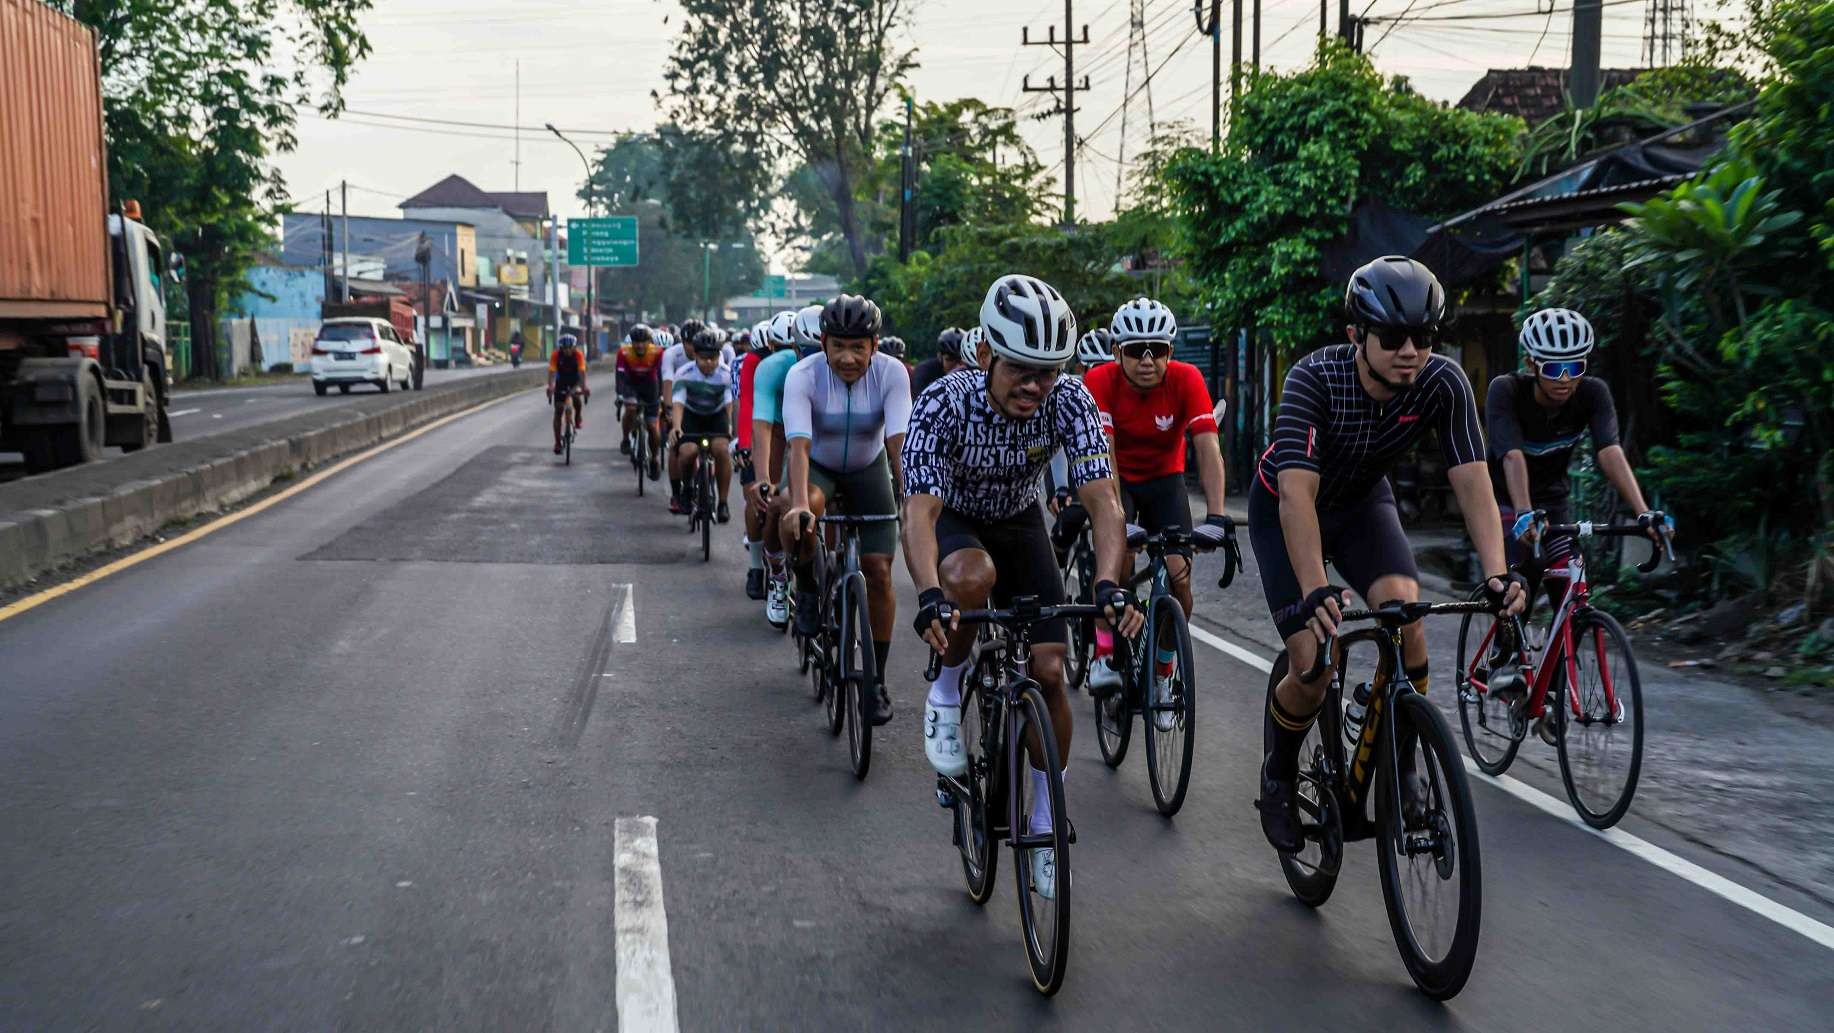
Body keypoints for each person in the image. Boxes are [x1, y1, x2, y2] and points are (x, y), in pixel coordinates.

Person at [1249, 255, 1526, 854]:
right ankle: (1277, 776)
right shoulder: (1312, 379)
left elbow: (1474, 483)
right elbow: (1297, 496)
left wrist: (1499, 576)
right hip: (1288, 508)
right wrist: (1313, 587)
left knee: (1408, 616)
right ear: (1357, 335)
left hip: (1362, 504)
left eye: (1423, 337)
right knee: (1314, 666)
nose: (1411, 350)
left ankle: (1402, 768)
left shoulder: (1441, 383)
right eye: (1395, 337)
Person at [902, 274, 1143, 900]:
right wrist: (930, 594)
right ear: (985, 355)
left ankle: (1042, 816)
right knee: (970, 578)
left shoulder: (1070, 401)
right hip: (955, 519)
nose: (1036, 386)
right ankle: (948, 694)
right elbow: (919, 513)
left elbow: (1103, 502)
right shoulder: (944, 402)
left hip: (1017, 521)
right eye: (1020, 370)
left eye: (1049, 371)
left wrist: (1110, 585)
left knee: (1052, 670)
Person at [1081, 299, 1235, 730]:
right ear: (1117, 353)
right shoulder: (1100, 380)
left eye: (1157, 348)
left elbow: (1207, 445)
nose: (1147, 360)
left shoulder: (1187, 379)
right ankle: (1106, 652)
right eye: (1135, 350)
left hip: (1166, 481)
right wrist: (1115, 519)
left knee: (1179, 578)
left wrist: (1219, 516)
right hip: (1119, 480)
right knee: (1118, 561)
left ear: (1170, 351)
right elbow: (1103, 454)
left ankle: (1164, 675)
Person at [779, 294, 911, 724]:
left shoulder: (893, 374)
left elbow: (897, 444)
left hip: (868, 468)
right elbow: (798, 446)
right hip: (818, 465)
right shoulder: (803, 375)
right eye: (839, 346)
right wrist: (799, 504)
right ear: (823, 343)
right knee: (799, 513)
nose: (849, 357)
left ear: (875, 344)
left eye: (859, 347)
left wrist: (912, 498)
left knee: (879, 571)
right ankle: (807, 587)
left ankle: (875, 683)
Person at [1488, 307, 1667, 616]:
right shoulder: (1506, 391)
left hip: (1552, 502)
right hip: (1505, 500)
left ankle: (1562, 660)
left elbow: (1609, 451)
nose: (1566, 379)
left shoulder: (1593, 393)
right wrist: (1523, 512)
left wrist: (1644, 513)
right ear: (1531, 364)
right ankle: (1505, 655)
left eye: (1575, 366)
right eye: (1555, 369)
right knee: (1519, 582)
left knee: (1573, 584)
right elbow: (1512, 456)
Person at [750, 311, 804, 628]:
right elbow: (762, 427)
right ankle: (779, 578)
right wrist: (762, 480)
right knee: (775, 502)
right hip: (781, 430)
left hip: (815, 433)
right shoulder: (771, 368)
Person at [668, 329, 735, 521]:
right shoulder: (684, 373)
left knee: (722, 450)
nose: (709, 362)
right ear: (695, 355)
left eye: (713, 357)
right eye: (704, 358)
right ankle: (687, 488)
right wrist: (677, 426)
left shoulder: (725, 374)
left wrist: (730, 427)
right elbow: (678, 402)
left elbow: (730, 402)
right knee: (687, 452)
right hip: (691, 416)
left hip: (716, 416)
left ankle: (722, 503)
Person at [735, 318, 777, 599]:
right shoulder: (751, 362)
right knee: (755, 496)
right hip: (759, 429)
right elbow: (746, 403)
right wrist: (744, 445)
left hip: (788, 433)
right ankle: (755, 569)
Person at [616, 324, 665, 479]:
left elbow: (662, 376)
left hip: (650, 386)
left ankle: (654, 458)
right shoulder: (623, 352)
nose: (640, 345)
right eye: (636, 341)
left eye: (643, 341)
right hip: (631, 385)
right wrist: (620, 394)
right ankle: (625, 438)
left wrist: (663, 395)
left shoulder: (657, 352)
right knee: (630, 409)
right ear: (631, 342)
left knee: (652, 425)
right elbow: (620, 376)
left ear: (649, 342)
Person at [547, 332, 588, 454]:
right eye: (565, 348)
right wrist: (551, 386)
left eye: (570, 348)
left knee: (576, 400)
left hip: (574, 382)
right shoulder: (556, 355)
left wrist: (584, 387)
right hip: (561, 383)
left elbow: (581, 373)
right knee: (559, 410)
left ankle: (578, 417)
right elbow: (552, 373)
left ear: (574, 347)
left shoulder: (578, 355)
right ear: (561, 348)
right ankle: (557, 442)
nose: (568, 351)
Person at [910, 327, 966, 398]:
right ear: (940, 356)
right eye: (951, 359)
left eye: (962, 360)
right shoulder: (924, 372)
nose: (957, 366)